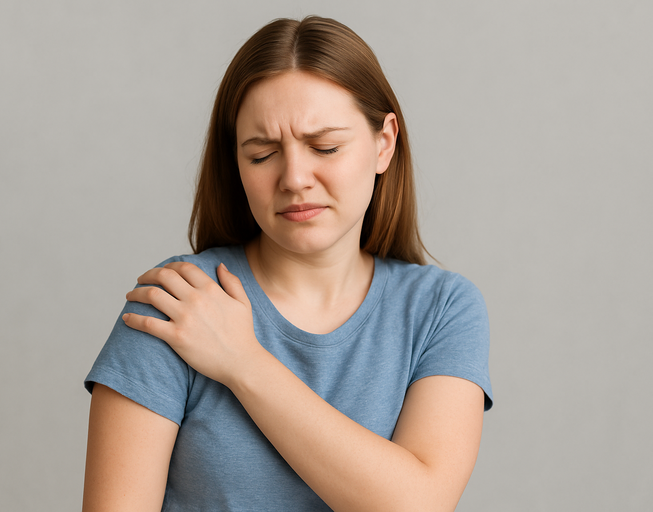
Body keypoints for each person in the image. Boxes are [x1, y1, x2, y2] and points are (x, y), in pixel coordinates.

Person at [83, 15, 492, 512]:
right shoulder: (181, 300)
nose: (295, 178)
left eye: (325, 147)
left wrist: (243, 362)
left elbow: (417, 504)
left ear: (384, 143)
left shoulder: (442, 309)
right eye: (262, 155)